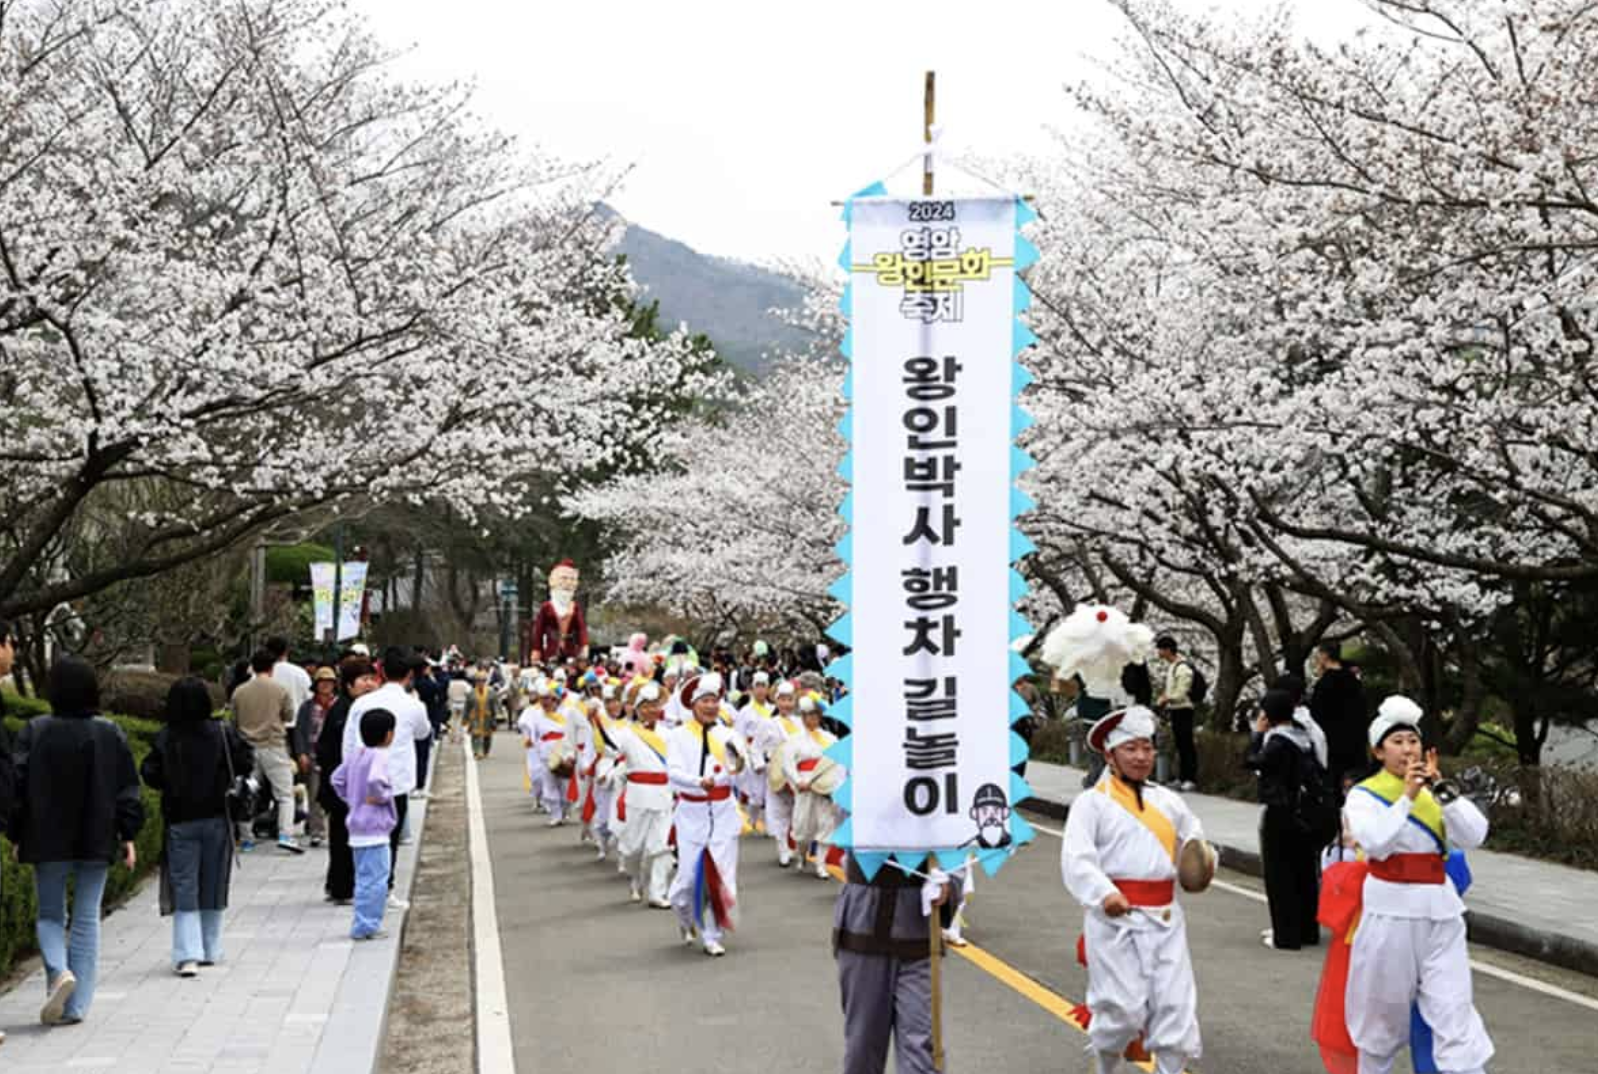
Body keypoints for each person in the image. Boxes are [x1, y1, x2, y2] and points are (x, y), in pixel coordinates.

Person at [1340, 696, 1493, 1074]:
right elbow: (1375, 842)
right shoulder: (1363, 795)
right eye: (1397, 742)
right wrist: (1407, 795)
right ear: (1378, 751)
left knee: (1453, 1009)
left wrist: (1441, 790)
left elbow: (1475, 835)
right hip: (1389, 914)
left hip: (1440, 912)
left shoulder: (1434, 793)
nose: (1408, 749)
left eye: (1413, 741)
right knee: (1381, 1019)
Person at [1061, 705, 1204, 1074]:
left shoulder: (1170, 802)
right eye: (1131, 748)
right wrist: (1103, 893)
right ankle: (1106, 1067)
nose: (1141, 757)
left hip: (1166, 920)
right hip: (1114, 922)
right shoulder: (1091, 804)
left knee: (1176, 1011)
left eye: (1147, 748)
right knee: (1120, 1011)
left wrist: (1203, 862)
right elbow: (1077, 858)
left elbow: (1195, 843)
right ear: (1110, 754)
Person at [11, 657, 144, 1027]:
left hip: (46, 835)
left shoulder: (34, 731)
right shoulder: (110, 732)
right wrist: (128, 834)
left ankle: (58, 972)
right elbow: (127, 789)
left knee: (51, 914)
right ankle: (75, 1007)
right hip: (97, 835)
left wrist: (17, 833)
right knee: (87, 919)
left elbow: (16, 789)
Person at [140, 677, 255, 976]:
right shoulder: (221, 732)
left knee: (184, 885)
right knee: (213, 882)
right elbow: (245, 761)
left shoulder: (167, 736)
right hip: (217, 817)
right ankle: (211, 948)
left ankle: (187, 954)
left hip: (180, 820)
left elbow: (150, 772)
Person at [834, 857, 953, 1074]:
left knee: (922, 1048)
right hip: (864, 925)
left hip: (919, 935)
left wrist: (949, 882)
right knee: (863, 1046)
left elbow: (958, 840)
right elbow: (853, 837)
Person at [666, 673, 746, 957]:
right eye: (705, 701)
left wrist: (736, 764)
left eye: (714, 700)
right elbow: (672, 772)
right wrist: (697, 782)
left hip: (723, 813)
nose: (711, 706)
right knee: (685, 883)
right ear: (693, 704)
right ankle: (686, 920)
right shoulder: (677, 736)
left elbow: (740, 770)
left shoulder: (728, 735)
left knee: (720, 880)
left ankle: (712, 935)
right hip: (691, 815)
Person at [342, 647, 430, 904]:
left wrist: (348, 777)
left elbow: (348, 743)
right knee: (389, 837)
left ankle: (363, 886)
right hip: (396, 780)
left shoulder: (362, 703)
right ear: (409, 675)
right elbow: (423, 733)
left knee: (361, 836)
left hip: (362, 778)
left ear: (380, 671)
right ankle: (385, 888)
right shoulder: (413, 704)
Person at [1245, 689, 1321, 951]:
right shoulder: (1305, 737)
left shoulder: (1277, 742)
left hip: (1279, 811)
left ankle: (1285, 935)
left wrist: (1256, 734)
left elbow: (1252, 761)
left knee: (1280, 875)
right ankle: (1308, 930)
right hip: (1304, 813)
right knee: (1304, 874)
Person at [332, 708, 399, 941]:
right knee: (377, 880)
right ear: (388, 734)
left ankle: (362, 921)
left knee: (363, 878)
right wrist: (381, 796)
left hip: (356, 826)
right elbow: (376, 781)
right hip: (375, 828)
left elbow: (337, 779)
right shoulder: (379, 756)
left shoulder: (356, 754)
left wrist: (352, 798)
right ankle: (367, 925)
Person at [228, 648, 303, 853]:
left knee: (246, 792)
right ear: (271, 668)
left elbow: (233, 721)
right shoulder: (280, 690)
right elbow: (288, 716)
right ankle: (286, 835)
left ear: (253, 666)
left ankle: (246, 839)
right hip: (274, 745)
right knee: (284, 794)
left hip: (247, 748)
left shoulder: (240, 691)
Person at [318, 659, 378, 905]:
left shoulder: (355, 707)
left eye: (371, 679)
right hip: (341, 785)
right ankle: (342, 888)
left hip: (345, 783)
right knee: (343, 836)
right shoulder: (343, 711)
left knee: (343, 835)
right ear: (349, 684)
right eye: (363, 680)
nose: (369, 684)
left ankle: (337, 885)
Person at [616, 682, 674, 907]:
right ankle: (635, 878)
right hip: (637, 796)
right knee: (634, 848)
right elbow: (611, 750)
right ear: (637, 708)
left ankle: (657, 892)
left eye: (654, 706)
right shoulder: (626, 734)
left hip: (664, 794)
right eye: (646, 706)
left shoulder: (669, 734)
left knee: (661, 846)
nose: (651, 710)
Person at [786, 693, 844, 879]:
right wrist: (797, 780)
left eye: (815, 715)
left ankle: (821, 864)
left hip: (826, 785)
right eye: (807, 715)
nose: (811, 719)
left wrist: (837, 785)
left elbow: (839, 762)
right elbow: (787, 763)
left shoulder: (831, 738)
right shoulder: (794, 739)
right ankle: (802, 855)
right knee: (803, 827)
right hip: (804, 784)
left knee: (826, 824)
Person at [754, 680, 804, 866]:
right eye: (782, 699)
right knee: (778, 811)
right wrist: (759, 764)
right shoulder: (767, 723)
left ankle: (796, 845)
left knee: (798, 811)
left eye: (789, 699)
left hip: (797, 773)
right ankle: (783, 847)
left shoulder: (800, 723)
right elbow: (756, 748)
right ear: (776, 701)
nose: (786, 704)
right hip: (775, 772)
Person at [1311, 643, 1370, 793]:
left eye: (1318, 655)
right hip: (1355, 741)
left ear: (1325, 656)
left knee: (1335, 786)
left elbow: (1316, 717)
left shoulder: (1324, 684)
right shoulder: (1354, 681)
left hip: (1332, 743)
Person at [292, 667, 338, 847]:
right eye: (322, 682)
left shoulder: (339, 704)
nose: (326, 686)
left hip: (334, 757)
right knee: (315, 795)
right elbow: (300, 731)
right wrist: (301, 753)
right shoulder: (307, 706)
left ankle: (333, 829)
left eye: (330, 682)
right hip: (313, 756)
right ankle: (317, 831)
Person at [1153, 635, 1199, 791]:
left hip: (1184, 710)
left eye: (1160, 649)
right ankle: (1182, 777)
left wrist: (1166, 698)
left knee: (1187, 745)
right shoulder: (1173, 666)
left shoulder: (1182, 668)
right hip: (1176, 710)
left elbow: (1181, 693)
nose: (1158, 652)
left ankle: (1190, 779)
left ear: (1167, 650)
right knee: (1181, 744)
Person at [266, 635, 313, 716]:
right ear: (286, 651)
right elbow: (310, 699)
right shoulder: (300, 673)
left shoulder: (260, 674)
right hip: (296, 723)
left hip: (268, 724)